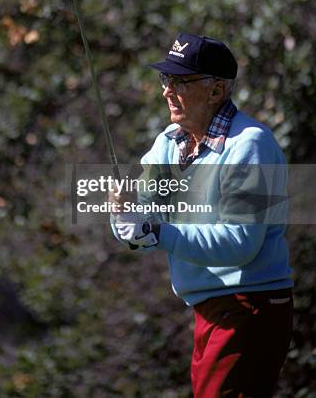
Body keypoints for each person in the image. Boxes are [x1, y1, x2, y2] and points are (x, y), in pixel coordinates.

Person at [110, 33, 293, 398]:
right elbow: (143, 221)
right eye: (166, 80)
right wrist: (125, 217)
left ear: (217, 91)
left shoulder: (250, 145)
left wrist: (154, 230)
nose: (167, 91)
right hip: (209, 309)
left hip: (250, 307)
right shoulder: (168, 141)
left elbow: (240, 244)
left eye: (180, 81)